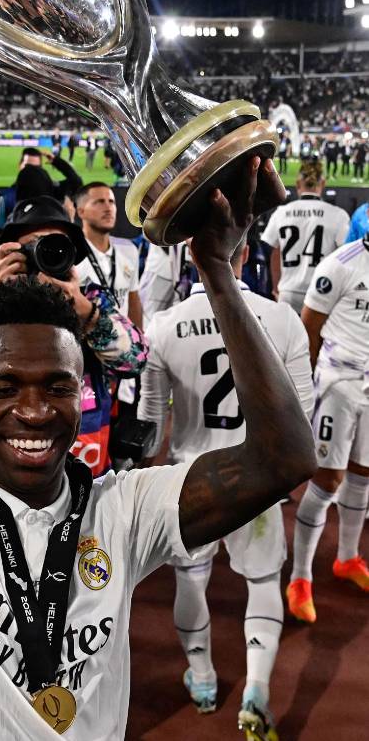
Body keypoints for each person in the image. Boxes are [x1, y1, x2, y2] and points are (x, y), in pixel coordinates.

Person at [0, 0, 314, 741]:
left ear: (83, 385)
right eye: (3, 385)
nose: (32, 407)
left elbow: (285, 461)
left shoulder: (118, 512)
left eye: (56, 385)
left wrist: (217, 269)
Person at [138, 234, 314, 741]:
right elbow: (301, 415)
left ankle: (203, 678)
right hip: (257, 477)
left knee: (191, 583)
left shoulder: (163, 325)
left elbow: (151, 422)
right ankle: (256, 689)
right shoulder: (280, 319)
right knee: (262, 583)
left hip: (191, 477)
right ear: (244, 255)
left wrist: (147, 472)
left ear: (188, 257)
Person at [0, 194, 146, 476]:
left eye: (54, 244)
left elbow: (135, 360)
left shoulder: (91, 299)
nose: (43, 254)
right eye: (33, 245)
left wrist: (86, 314)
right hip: (6, 473)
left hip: (86, 472)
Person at [287, 236, 369, 623]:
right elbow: (309, 330)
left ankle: (348, 557)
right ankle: (300, 578)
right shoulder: (341, 263)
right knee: (328, 479)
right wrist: (309, 397)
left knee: (363, 473)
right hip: (339, 386)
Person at [261, 162, 349, 314]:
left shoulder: (282, 212)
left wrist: (276, 287)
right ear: (322, 183)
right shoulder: (338, 215)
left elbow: (275, 253)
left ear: (297, 184)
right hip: (322, 291)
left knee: (286, 337)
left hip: (288, 291)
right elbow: (343, 257)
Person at [75, 182, 142, 327]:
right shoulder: (72, 255)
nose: (108, 208)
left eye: (111, 202)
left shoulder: (129, 250)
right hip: (85, 345)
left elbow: (133, 299)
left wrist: (140, 340)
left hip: (123, 345)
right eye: (99, 202)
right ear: (81, 212)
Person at [0, 146, 83, 220]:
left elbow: (76, 182)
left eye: (36, 168)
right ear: (20, 165)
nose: (31, 172)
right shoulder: (6, 198)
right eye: (28, 167)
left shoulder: (51, 187)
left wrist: (56, 161)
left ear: (41, 169)